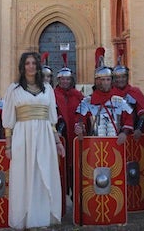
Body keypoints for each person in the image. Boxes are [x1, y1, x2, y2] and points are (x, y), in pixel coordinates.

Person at [3, 51, 65, 229]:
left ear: (38, 66)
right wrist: (8, 146)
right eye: (27, 63)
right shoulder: (14, 89)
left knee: (43, 173)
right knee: (24, 174)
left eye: (33, 63)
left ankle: (42, 217)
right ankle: (25, 218)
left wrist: (58, 143)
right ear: (22, 67)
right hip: (23, 136)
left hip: (45, 136)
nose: (30, 66)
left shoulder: (48, 89)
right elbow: (9, 120)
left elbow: (52, 120)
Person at [112, 49, 144, 191]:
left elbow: (142, 114)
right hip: (114, 136)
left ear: (127, 77)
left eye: (123, 77)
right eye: (118, 77)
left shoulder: (134, 92)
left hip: (133, 136)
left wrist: (139, 128)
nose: (120, 80)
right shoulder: (110, 94)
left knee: (134, 168)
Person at [74, 47, 133, 144]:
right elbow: (80, 120)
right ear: (97, 81)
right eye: (102, 79)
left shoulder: (119, 101)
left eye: (108, 79)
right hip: (93, 147)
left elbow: (128, 119)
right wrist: (80, 129)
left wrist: (124, 133)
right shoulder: (87, 102)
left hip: (116, 145)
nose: (105, 83)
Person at [53, 52, 84, 198]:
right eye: (62, 79)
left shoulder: (78, 95)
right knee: (60, 166)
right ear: (58, 80)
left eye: (67, 79)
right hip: (60, 137)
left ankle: (75, 193)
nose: (65, 82)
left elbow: (83, 113)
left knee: (75, 165)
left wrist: (81, 125)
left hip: (75, 136)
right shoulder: (53, 95)